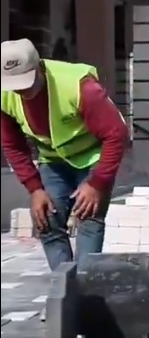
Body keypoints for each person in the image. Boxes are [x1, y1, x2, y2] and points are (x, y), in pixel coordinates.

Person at [1, 38, 130, 276]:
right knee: (46, 221)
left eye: (26, 83)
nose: (21, 91)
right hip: (54, 161)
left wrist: (97, 183)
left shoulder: (80, 87)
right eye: (15, 85)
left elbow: (116, 134)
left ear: (39, 67)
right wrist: (35, 189)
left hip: (93, 158)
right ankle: (65, 285)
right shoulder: (4, 95)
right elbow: (13, 145)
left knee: (89, 217)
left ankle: (85, 284)